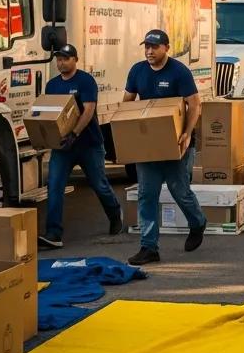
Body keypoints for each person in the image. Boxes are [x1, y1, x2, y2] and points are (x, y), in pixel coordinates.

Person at [124, 29, 206, 266]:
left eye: (154, 47)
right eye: (146, 47)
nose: (149, 51)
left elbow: (194, 104)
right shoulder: (137, 71)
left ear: (166, 48)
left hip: (176, 142)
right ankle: (149, 247)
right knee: (146, 194)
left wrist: (187, 134)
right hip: (148, 145)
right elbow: (127, 104)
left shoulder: (179, 72)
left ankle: (198, 222)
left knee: (180, 190)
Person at [37, 44, 122, 249]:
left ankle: (115, 215)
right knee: (55, 186)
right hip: (63, 147)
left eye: (66, 59)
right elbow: (50, 113)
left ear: (75, 60)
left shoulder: (85, 81)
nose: (61, 63)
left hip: (88, 144)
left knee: (99, 185)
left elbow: (88, 110)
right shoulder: (52, 85)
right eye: (58, 59)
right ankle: (54, 233)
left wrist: (74, 133)